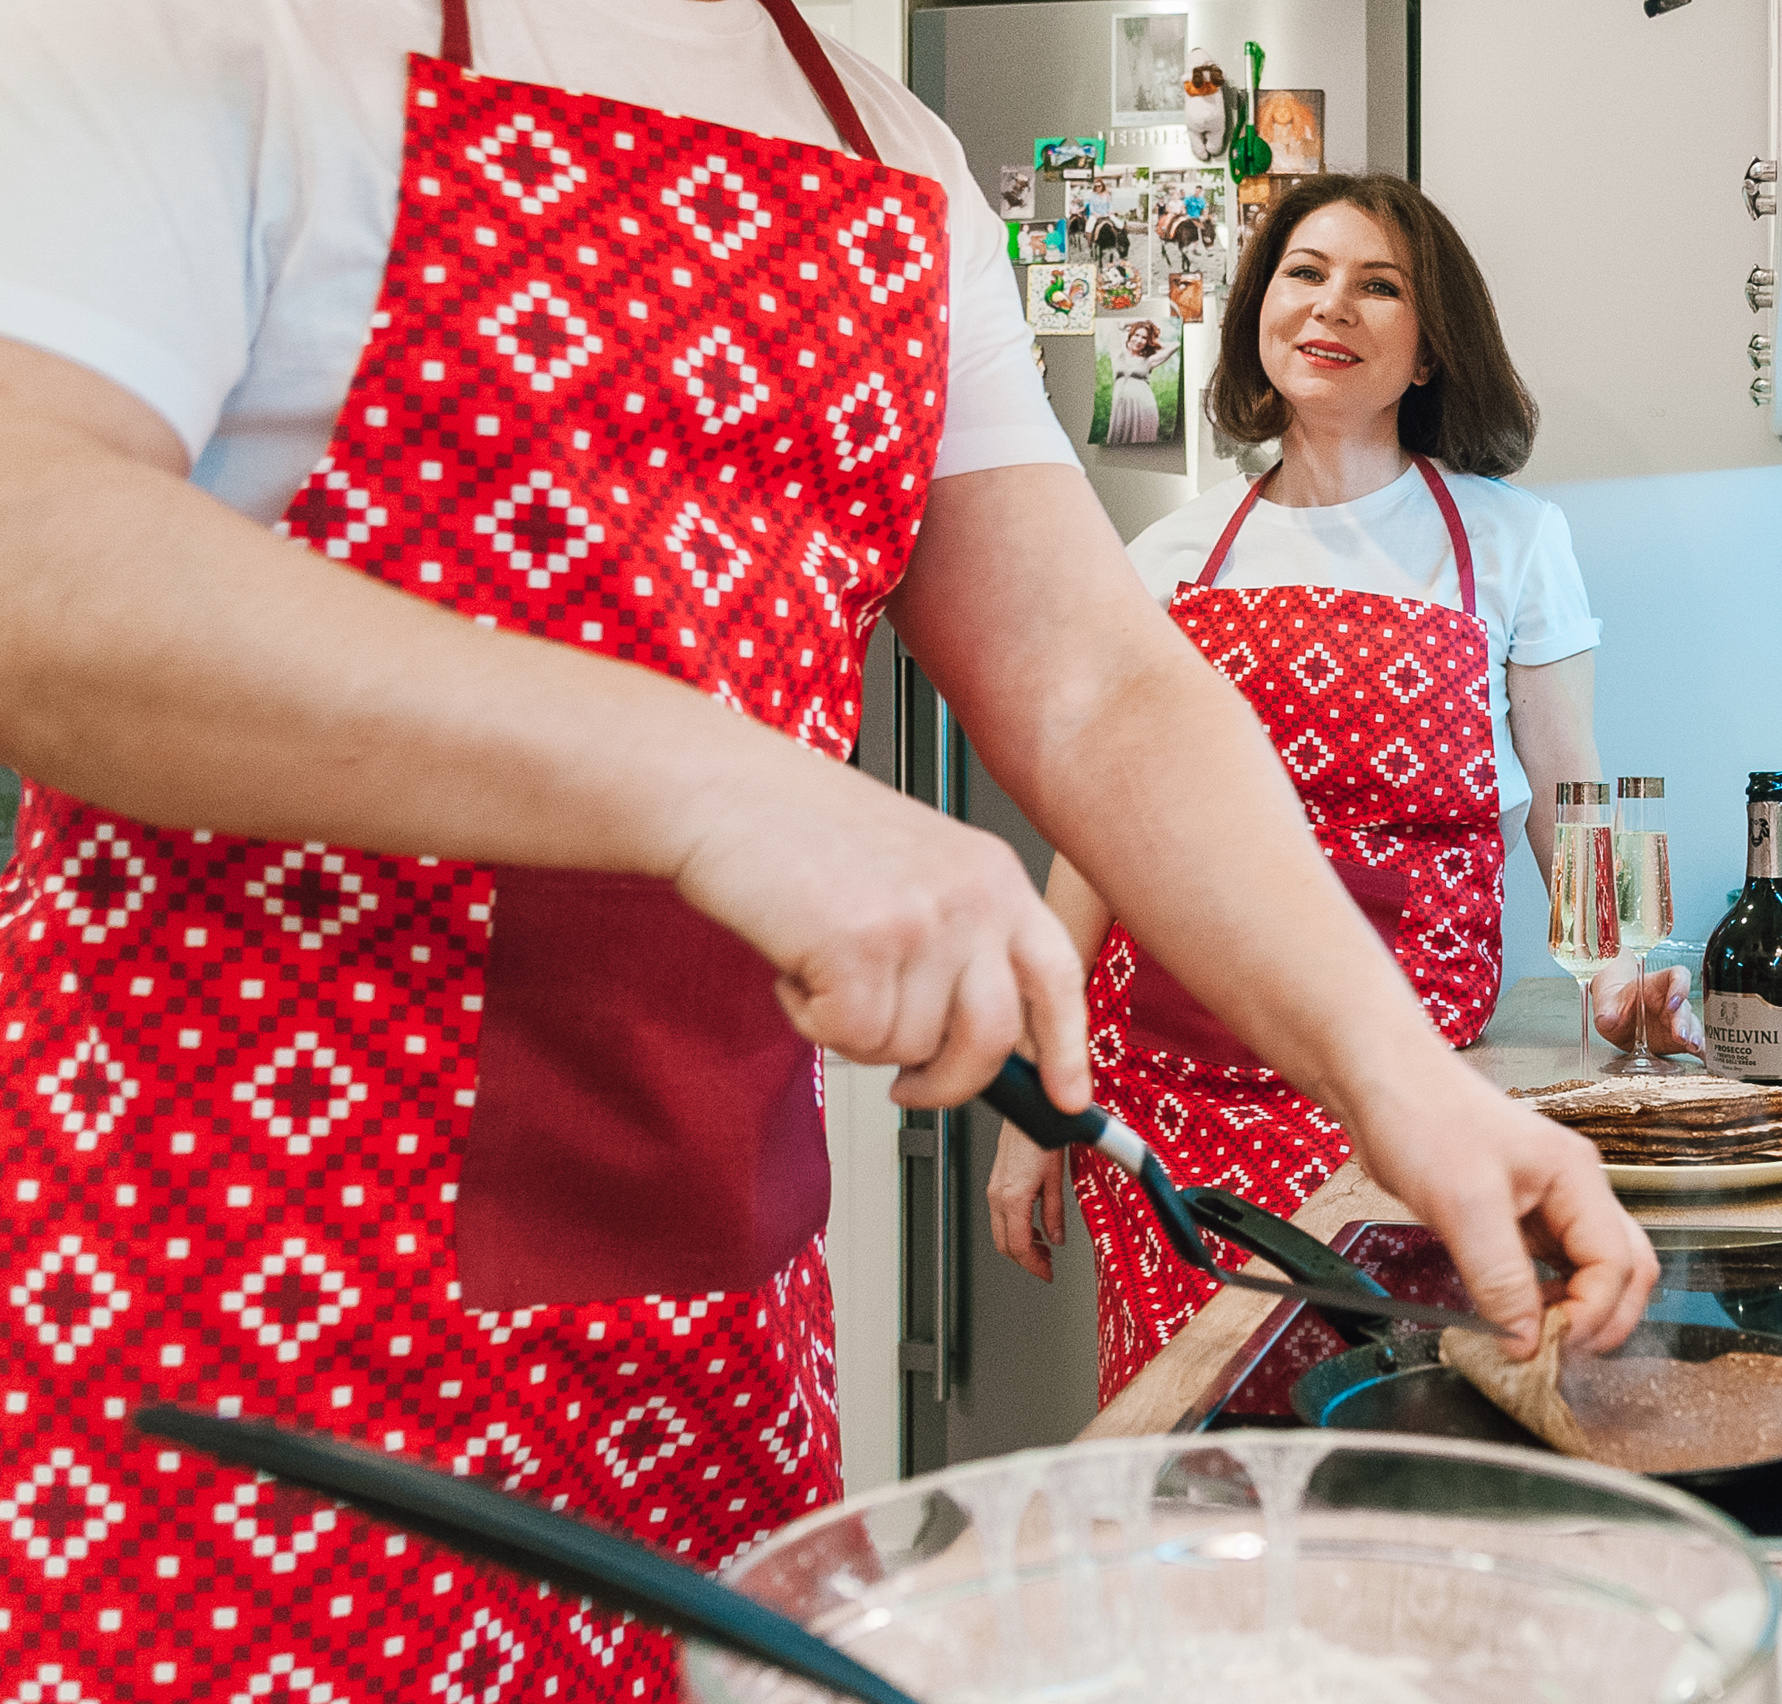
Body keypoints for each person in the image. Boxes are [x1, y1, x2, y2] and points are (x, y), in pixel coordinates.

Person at [0, 4, 1655, 1693]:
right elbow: (33, 547)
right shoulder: (211, 28)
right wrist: (720, 783)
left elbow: (1096, 683)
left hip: (711, 1293)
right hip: (242, 1278)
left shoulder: (894, 158)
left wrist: (1408, 1082)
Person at [987, 175, 1696, 1401]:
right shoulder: (1166, 554)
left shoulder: (1512, 539)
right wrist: (1037, 1083)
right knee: (1197, 1438)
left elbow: (1567, 778)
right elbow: (1104, 830)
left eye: (1381, 286)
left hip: (1402, 1085)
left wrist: (1624, 960)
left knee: (1389, 1423)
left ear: (1430, 350)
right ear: (1262, 305)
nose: (1332, 305)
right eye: (1305, 272)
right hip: (1172, 1087)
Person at [1105, 320, 1180, 445]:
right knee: (1116, 440)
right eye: (1136, 335)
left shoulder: (1149, 361)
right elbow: (1114, 324)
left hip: (1144, 407)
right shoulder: (1118, 354)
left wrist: (1155, 343)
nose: (1139, 340)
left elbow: (1176, 345)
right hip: (1121, 408)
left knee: (1142, 443)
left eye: (1144, 338)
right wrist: (1135, 323)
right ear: (1130, 336)